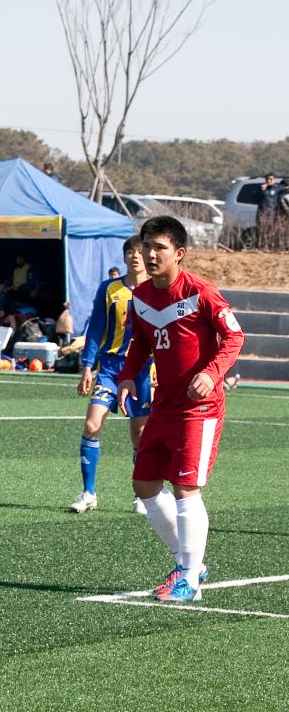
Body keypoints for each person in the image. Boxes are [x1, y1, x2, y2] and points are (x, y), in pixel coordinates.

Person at [117, 216, 243, 603]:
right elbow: (140, 342)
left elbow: (234, 335)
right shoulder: (140, 297)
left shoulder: (201, 292)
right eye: (146, 247)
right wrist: (125, 377)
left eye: (159, 248)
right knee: (145, 485)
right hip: (164, 405)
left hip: (200, 407)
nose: (150, 255)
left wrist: (212, 372)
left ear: (179, 254)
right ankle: (188, 562)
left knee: (185, 487)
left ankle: (189, 578)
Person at [69, 236, 153, 515]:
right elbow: (95, 329)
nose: (135, 256)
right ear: (125, 257)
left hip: (141, 370)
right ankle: (88, 493)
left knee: (140, 436)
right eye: (130, 252)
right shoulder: (109, 289)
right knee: (92, 426)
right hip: (109, 368)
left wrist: (158, 369)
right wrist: (87, 366)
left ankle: (141, 497)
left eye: (140, 252)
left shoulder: (156, 291)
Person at [256, 172, 280, 247]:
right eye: (267, 179)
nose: (268, 180)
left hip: (273, 213)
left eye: (270, 179)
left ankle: (271, 246)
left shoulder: (277, 188)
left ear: (274, 180)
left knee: (272, 231)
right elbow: (255, 199)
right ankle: (261, 246)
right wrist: (263, 190)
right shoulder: (261, 189)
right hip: (262, 213)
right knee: (261, 231)